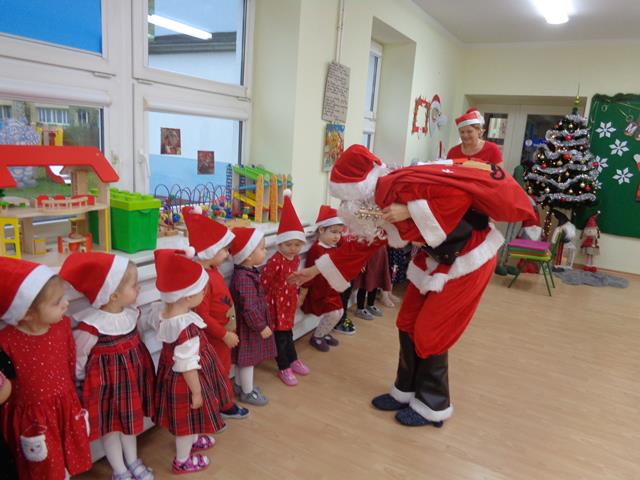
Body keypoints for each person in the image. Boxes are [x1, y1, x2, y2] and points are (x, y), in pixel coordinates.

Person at [289, 145, 535, 427]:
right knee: (406, 322)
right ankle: (405, 391)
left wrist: (410, 210)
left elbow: (458, 195)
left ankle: (433, 404)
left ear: (358, 188)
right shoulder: (377, 202)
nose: (346, 205)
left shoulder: (403, 184)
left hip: (469, 259)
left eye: (346, 197)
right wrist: (313, 271)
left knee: (430, 331)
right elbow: (360, 246)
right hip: (434, 258)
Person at [60, 253, 156, 480]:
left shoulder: (131, 314)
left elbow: (138, 339)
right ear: (113, 295)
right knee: (111, 427)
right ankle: (119, 470)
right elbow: (80, 356)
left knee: (130, 423)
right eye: (134, 285)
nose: (138, 289)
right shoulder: (92, 326)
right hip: (106, 388)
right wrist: (80, 382)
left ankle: (132, 460)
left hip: (130, 383)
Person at [0, 257, 92, 479]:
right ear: (27, 313)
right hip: (34, 420)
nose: (66, 303)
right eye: (57, 302)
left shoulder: (62, 326)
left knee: (66, 462)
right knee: (43, 468)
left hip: (65, 407)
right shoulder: (6, 342)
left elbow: (70, 361)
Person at [152, 249, 229, 475]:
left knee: (191, 416)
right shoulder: (186, 328)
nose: (205, 293)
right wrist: (196, 392)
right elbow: (186, 365)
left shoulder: (165, 314)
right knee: (186, 420)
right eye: (202, 290)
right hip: (187, 382)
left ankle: (194, 440)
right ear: (187, 297)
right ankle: (182, 460)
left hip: (177, 376)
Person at [183, 207, 250, 420]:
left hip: (222, 336)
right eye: (224, 250)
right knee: (218, 370)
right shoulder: (203, 280)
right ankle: (224, 405)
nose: (228, 254)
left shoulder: (212, 271)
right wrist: (224, 334)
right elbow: (202, 315)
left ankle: (221, 401)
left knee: (223, 367)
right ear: (210, 251)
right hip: (215, 337)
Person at [261, 190, 311, 386]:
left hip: (288, 302)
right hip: (275, 305)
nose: (293, 248)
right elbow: (264, 283)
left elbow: (295, 279)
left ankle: (293, 359)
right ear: (280, 244)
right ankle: (283, 366)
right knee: (280, 337)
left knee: (288, 332)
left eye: (297, 244)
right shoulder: (275, 261)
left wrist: (297, 294)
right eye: (289, 244)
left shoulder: (296, 258)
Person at [229, 227, 276, 405]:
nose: (266, 251)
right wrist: (261, 326)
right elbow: (249, 307)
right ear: (248, 255)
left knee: (243, 359)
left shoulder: (246, 273)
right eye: (262, 248)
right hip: (248, 327)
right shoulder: (244, 278)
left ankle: (240, 386)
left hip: (246, 325)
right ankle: (247, 392)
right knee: (248, 360)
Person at [300, 206, 345, 352]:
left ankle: (324, 332)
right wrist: (303, 293)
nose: (337, 236)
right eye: (334, 232)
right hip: (320, 291)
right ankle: (317, 336)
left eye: (339, 232)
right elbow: (309, 272)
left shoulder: (333, 246)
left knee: (340, 311)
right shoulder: (316, 249)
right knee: (333, 313)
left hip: (331, 289)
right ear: (321, 230)